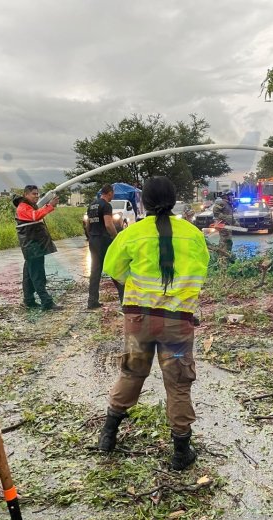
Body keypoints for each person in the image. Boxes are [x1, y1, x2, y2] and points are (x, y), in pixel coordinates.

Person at [97, 176, 209, 471]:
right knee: (178, 384)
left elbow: (113, 269)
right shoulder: (193, 234)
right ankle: (181, 452)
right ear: (174, 201)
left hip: (138, 320)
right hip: (177, 323)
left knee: (132, 373)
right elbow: (201, 273)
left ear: (143, 202)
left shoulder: (132, 234)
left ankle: (107, 436)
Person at [13, 185, 61, 310]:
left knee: (29, 276)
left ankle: (29, 300)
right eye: (34, 194)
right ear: (26, 194)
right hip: (32, 247)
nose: (36, 196)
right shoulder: (23, 207)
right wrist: (50, 206)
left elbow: (37, 213)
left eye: (37, 194)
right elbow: (35, 216)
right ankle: (47, 302)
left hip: (33, 247)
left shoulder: (28, 206)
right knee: (38, 275)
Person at [85, 184, 124, 309]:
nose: (113, 195)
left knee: (95, 271)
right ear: (109, 193)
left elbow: (88, 225)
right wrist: (116, 236)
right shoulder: (106, 205)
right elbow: (108, 224)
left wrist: (90, 236)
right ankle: (124, 300)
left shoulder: (91, 205)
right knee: (115, 268)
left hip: (94, 240)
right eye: (113, 193)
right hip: (104, 240)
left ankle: (92, 301)